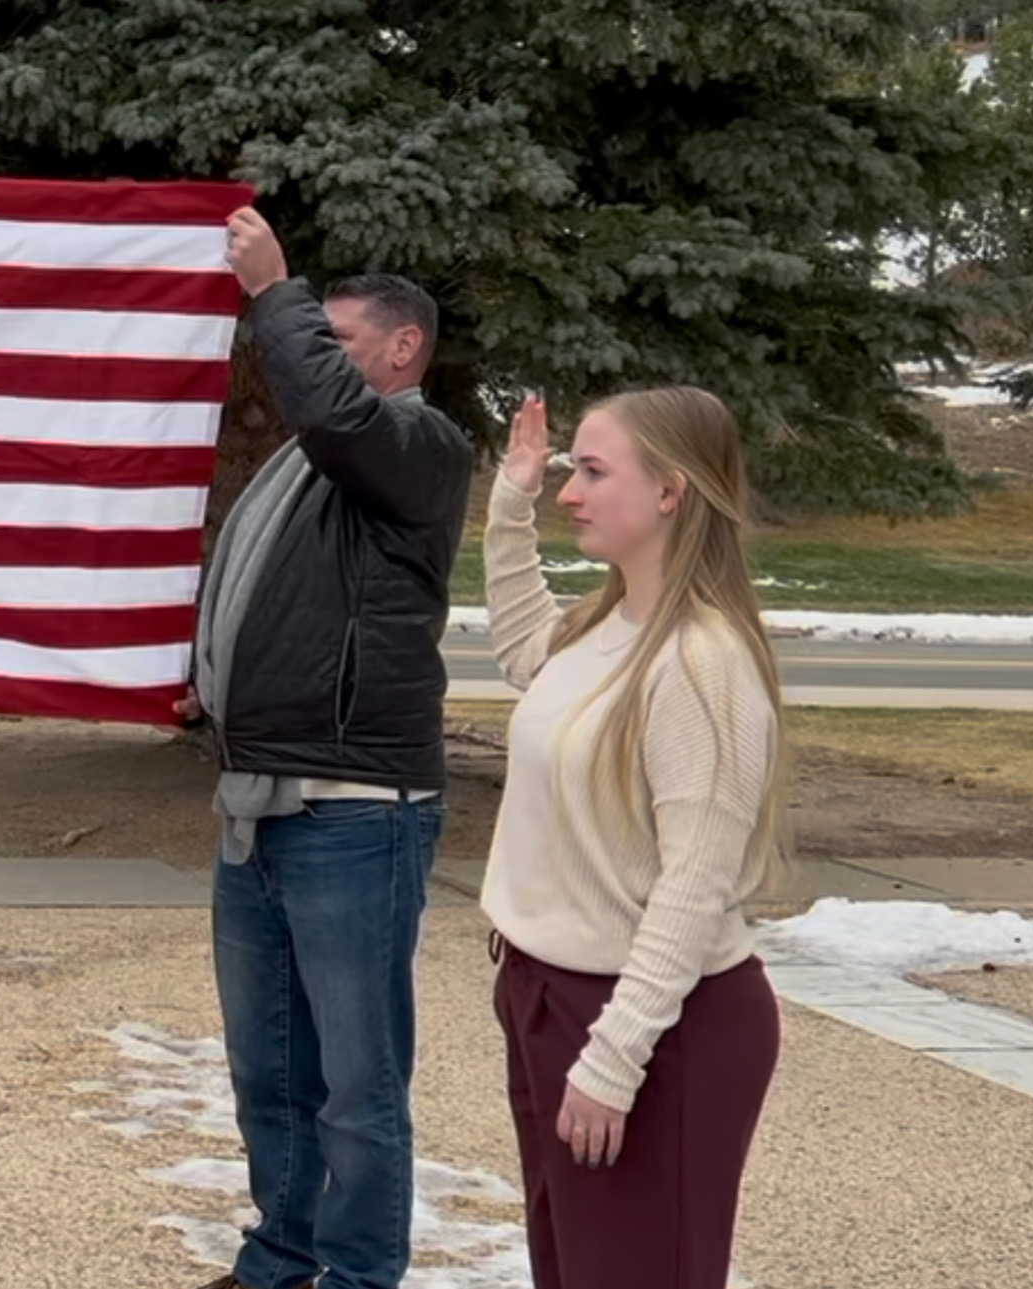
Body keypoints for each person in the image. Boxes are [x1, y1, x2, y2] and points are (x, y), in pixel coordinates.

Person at [183, 208, 474, 1289]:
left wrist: (273, 291)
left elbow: (336, 413)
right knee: (270, 1068)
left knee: (359, 1084)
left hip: (360, 808)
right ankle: (283, 1258)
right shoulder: (309, 470)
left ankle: (356, 1275)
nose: (313, 357)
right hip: (260, 802)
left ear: (402, 350)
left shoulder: (415, 446)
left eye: (337, 337)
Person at [481, 387, 790, 1289]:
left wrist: (614, 1058)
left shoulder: (701, 662)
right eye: (569, 468)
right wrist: (511, 502)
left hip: (653, 1026)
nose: (569, 491)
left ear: (670, 492)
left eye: (591, 470)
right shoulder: (602, 626)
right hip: (550, 997)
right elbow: (518, 651)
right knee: (572, 1270)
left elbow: (694, 884)